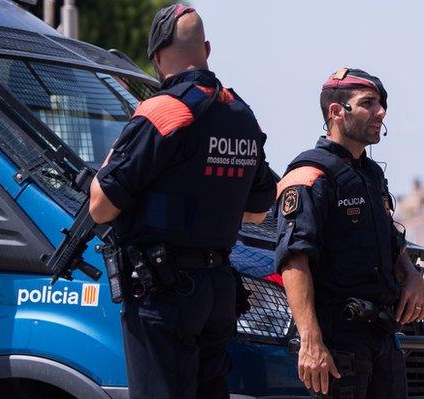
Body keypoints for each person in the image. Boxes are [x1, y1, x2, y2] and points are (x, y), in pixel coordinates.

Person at [88, 4, 277, 398]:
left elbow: (101, 206)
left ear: (155, 56)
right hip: (218, 290)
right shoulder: (242, 116)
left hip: (166, 291)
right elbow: (259, 210)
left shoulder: (162, 112)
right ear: (206, 49)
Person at [275, 67, 424, 398]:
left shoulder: (370, 175)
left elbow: (390, 239)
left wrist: (412, 276)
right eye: (368, 103)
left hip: (383, 338)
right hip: (338, 340)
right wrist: (310, 340)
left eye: (382, 103)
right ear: (336, 111)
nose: (381, 112)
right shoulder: (310, 177)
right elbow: (293, 259)